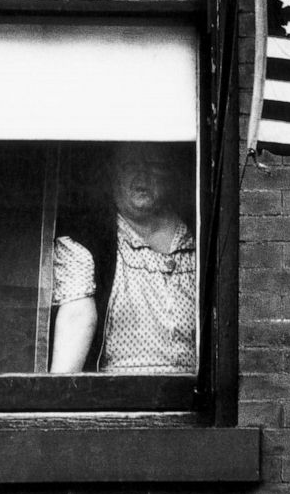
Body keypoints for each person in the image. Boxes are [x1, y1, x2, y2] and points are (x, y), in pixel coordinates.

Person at [49, 143, 196, 373]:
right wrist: (58, 401)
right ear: (111, 173)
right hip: (119, 397)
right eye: (130, 165)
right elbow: (76, 318)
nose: (142, 175)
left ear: (170, 174)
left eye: (155, 166)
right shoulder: (90, 240)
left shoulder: (197, 238)